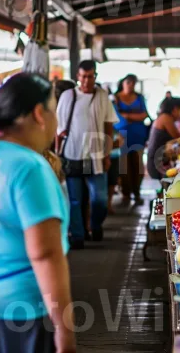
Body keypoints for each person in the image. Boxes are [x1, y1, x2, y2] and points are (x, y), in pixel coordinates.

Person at [0, 73, 75, 353]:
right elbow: (45, 254)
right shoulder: (30, 167)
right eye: (54, 111)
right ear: (39, 113)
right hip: (20, 313)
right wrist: (64, 330)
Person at [57, 60, 117, 249]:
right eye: (83, 76)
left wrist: (107, 154)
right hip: (72, 154)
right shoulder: (68, 96)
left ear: (95, 77)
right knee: (75, 200)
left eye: (90, 76)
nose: (86, 81)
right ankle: (77, 236)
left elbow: (109, 126)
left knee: (99, 199)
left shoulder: (102, 96)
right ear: (77, 76)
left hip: (96, 156)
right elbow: (59, 129)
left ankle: (95, 224)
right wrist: (58, 154)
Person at [114, 74, 148, 206]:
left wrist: (127, 115)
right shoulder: (116, 98)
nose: (130, 85)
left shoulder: (139, 97)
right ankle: (126, 194)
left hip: (138, 135)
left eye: (133, 82)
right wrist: (134, 116)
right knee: (124, 166)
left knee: (138, 165)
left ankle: (137, 192)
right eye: (128, 82)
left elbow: (144, 115)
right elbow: (116, 117)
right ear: (123, 82)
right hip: (122, 136)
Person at [147, 97, 180, 180]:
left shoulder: (163, 117)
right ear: (175, 109)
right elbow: (178, 137)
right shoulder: (165, 118)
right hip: (157, 163)